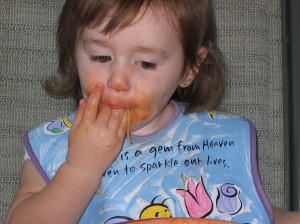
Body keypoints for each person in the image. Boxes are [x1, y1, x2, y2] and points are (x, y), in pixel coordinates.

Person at [5, 0, 300, 224]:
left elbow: (259, 212)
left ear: (189, 68)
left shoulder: (217, 139)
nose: (117, 81)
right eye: (100, 56)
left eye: (146, 63)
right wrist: (81, 169)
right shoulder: (54, 143)